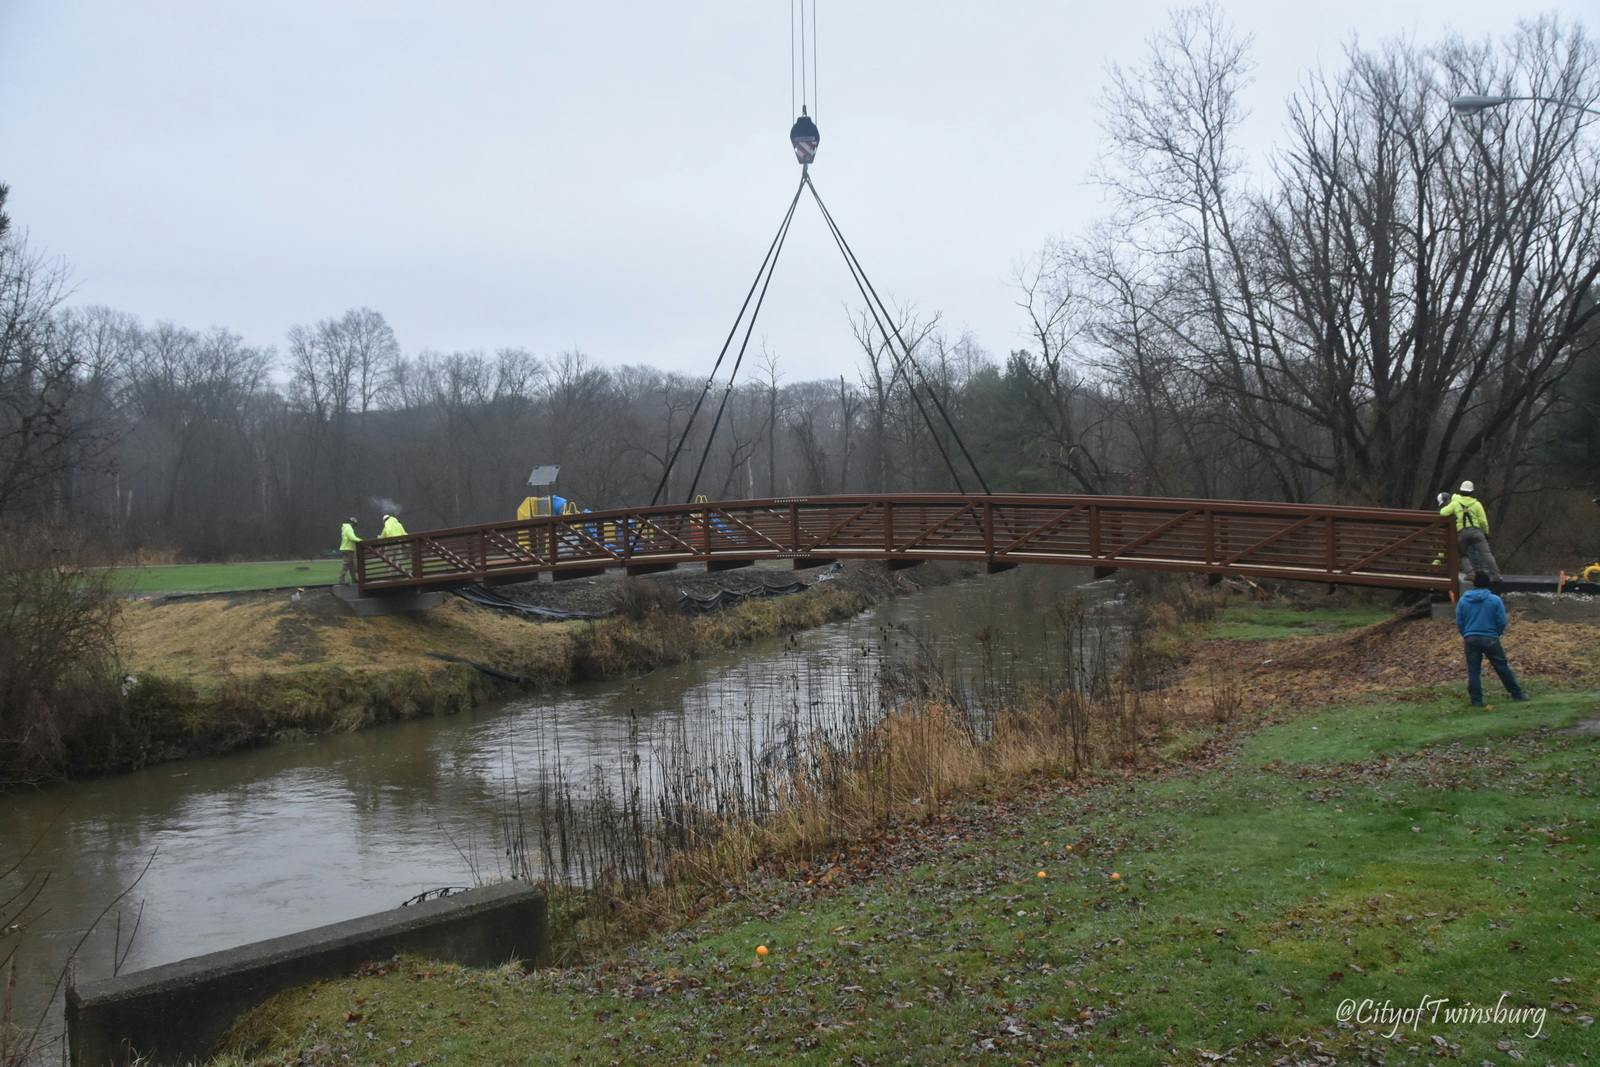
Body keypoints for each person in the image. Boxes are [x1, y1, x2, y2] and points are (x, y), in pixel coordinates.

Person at [1455, 570, 1528, 707]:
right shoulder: (1495, 600)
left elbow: (1460, 621)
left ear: (1474, 584)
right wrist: (1496, 633)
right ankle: (1517, 694)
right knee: (1501, 667)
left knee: (1474, 670)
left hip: (1471, 637)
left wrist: (1466, 634)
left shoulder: (1464, 600)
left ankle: (1476, 701)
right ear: (1488, 584)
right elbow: (1502, 621)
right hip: (1490, 638)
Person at [1439, 480, 1500, 582]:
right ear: (1472, 492)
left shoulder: (1455, 504)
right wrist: (1486, 533)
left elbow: (1442, 512)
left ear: (1461, 491)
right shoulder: (1477, 504)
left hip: (1462, 533)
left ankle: (1471, 574)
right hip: (1476, 532)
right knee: (1486, 554)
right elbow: (1483, 521)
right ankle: (1496, 575)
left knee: (1463, 554)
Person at [337, 516, 361, 585]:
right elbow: (352, 538)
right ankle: (341, 580)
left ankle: (354, 579)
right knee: (346, 565)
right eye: (354, 524)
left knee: (352, 566)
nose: (354, 526)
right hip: (348, 549)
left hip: (347, 548)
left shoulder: (345, 527)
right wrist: (360, 540)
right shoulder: (348, 528)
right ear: (352, 523)